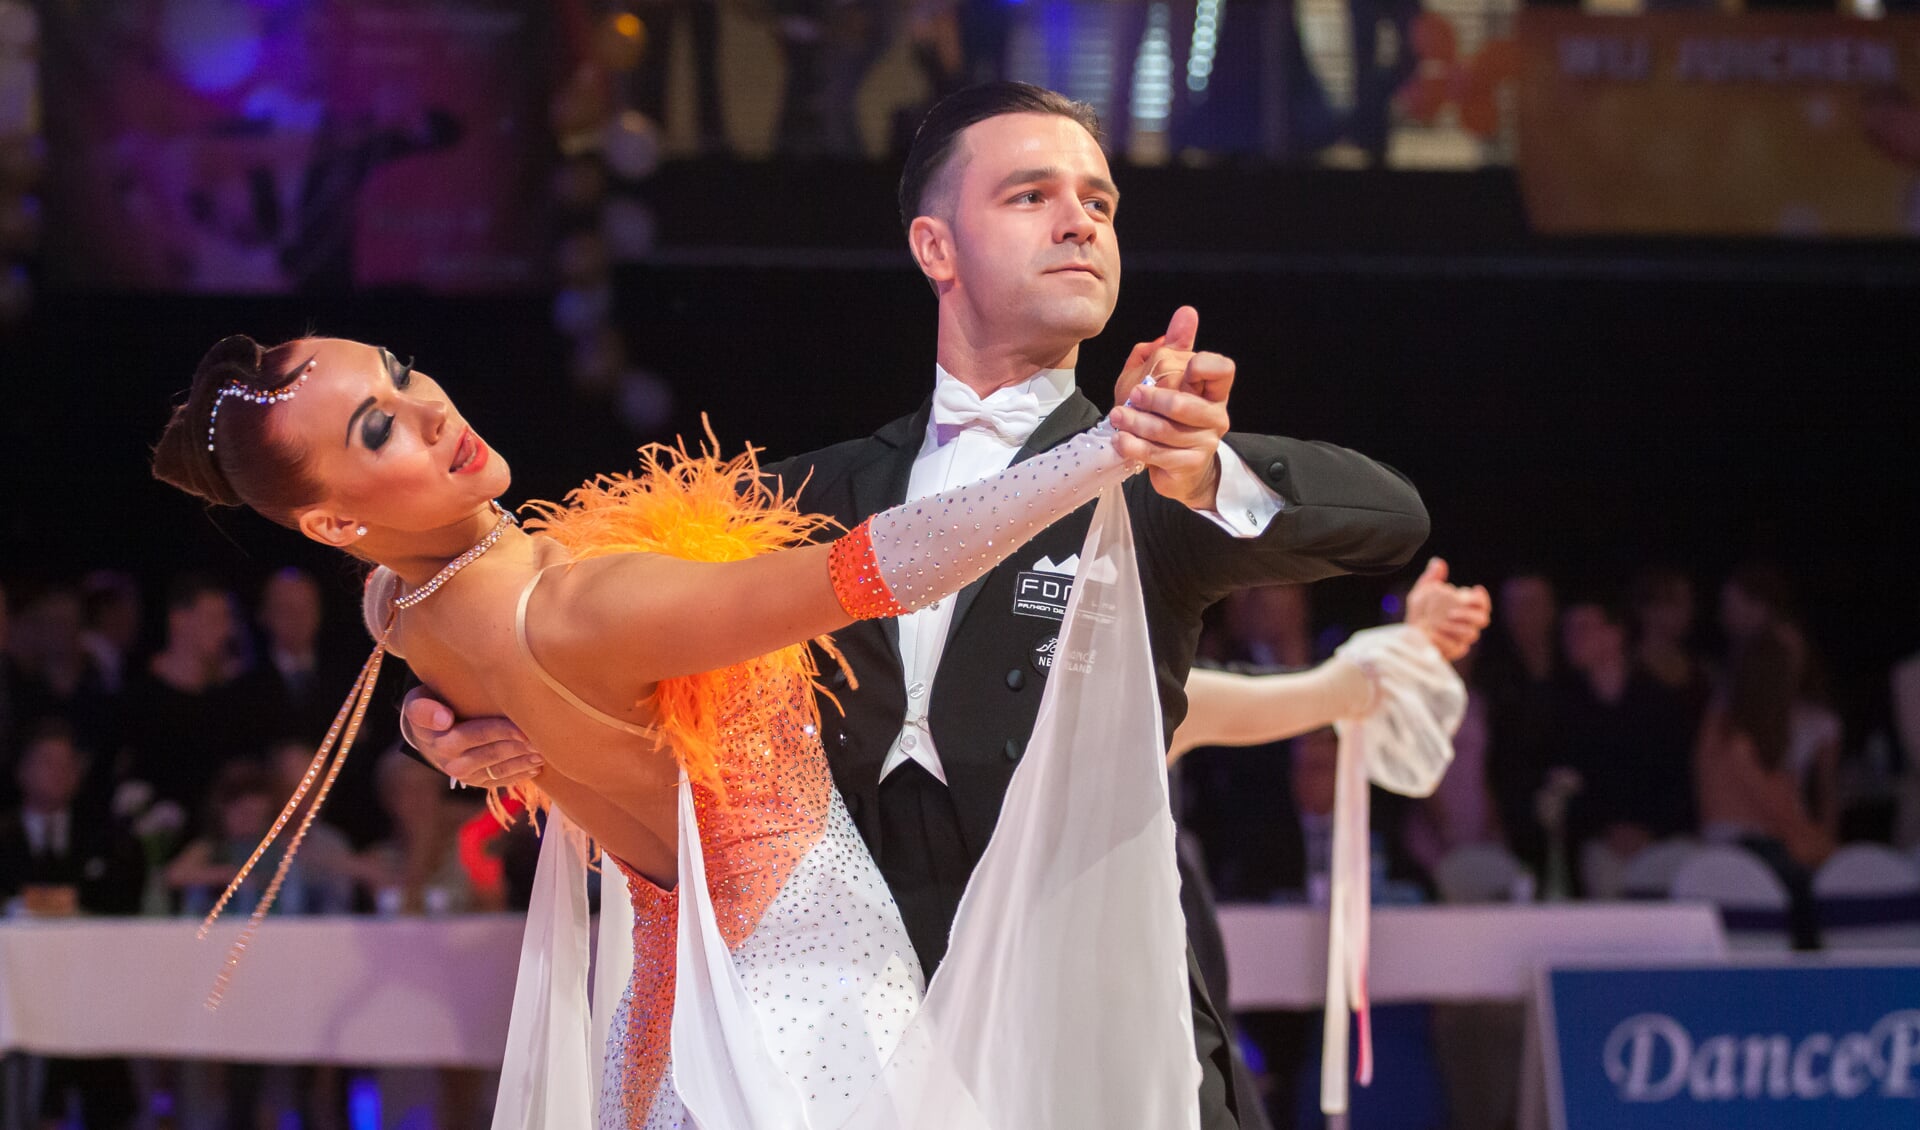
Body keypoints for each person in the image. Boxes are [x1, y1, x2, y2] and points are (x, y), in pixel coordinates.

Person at [413, 82, 1432, 1130]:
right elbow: (575, 622)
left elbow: (1391, 519)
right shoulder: (800, 502)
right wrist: (471, 717)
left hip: (1086, 1038)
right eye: (1032, 194)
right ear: (936, 249)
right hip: (851, 1048)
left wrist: (1203, 467)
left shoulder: (1143, 485)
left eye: (1101, 201)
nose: (1080, 219)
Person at [151, 327, 1204, 1125]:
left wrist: (431, 721)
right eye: (376, 428)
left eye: (399, 371)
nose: (428, 410)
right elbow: (871, 567)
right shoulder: (575, 607)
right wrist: (1107, 448)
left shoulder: (404, 609)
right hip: (802, 1008)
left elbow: (388, 598)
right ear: (333, 521)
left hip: (666, 1014)